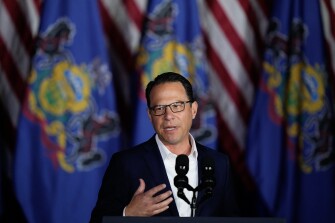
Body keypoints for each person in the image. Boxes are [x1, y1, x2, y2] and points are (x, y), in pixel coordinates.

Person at [90, 72, 239, 222]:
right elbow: (97, 220)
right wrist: (128, 213)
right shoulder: (126, 164)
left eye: (177, 106)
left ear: (193, 110)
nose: (168, 115)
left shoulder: (219, 163)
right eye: (160, 108)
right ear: (150, 115)